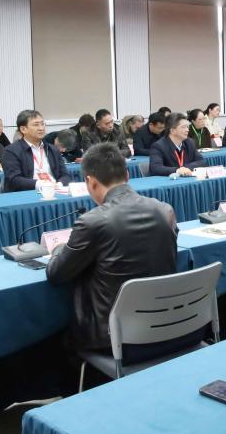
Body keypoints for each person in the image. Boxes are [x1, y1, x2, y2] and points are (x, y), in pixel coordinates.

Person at [46, 143, 180, 351]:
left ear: (90, 182)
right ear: (127, 175)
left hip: (112, 335)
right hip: (168, 324)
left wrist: (57, 249)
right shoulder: (165, 210)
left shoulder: (92, 221)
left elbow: (56, 273)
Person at [2, 110, 69, 192]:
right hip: (27, 194)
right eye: (36, 125)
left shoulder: (52, 149)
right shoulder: (11, 151)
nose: (41, 128)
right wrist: (40, 184)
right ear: (23, 129)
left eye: (42, 124)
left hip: (54, 191)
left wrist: (59, 184)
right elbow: (14, 179)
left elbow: (65, 175)